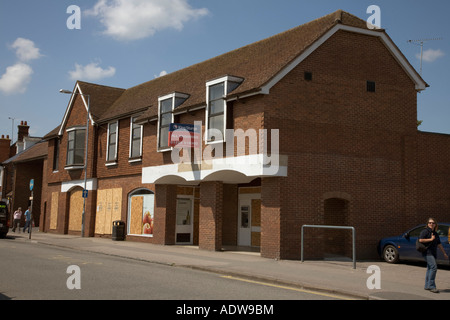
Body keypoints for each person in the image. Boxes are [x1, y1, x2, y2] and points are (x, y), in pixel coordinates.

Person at [418, 217, 449, 293]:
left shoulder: (435, 233)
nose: (431, 224)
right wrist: (430, 239)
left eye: (433, 223)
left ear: (435, 224)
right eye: (430, 223)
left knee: (430, 268)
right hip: (427, 252)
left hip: (433, 252)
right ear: (427, 224)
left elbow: (439, 244)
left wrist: (444, 253)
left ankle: (427, 285)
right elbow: (420, 240)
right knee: (433, 267)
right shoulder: (425, 231)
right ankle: (431, 286)